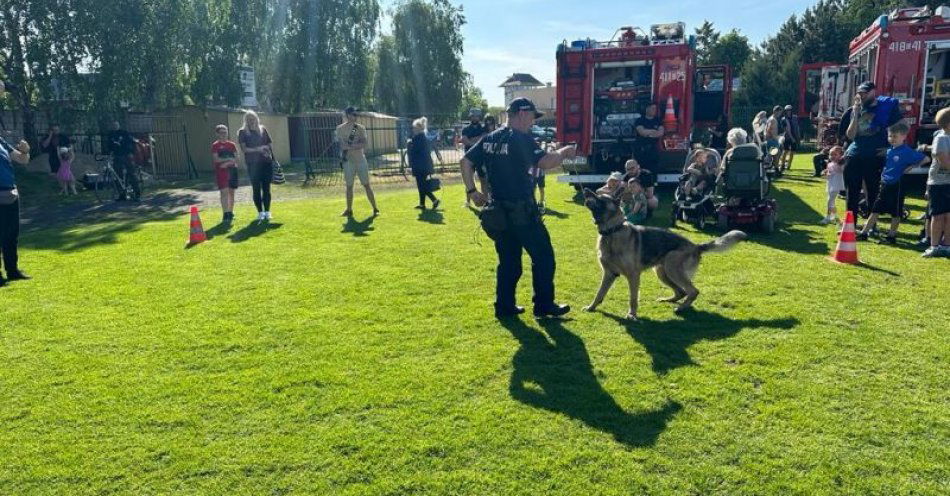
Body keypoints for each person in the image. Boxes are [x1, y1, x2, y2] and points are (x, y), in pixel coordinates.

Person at [461, 97, 576, 318]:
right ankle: (543, 305)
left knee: (509, 262)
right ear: (522, 114)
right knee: (543, 257)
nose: (533, 122)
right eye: (532, 117)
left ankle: (504, 306)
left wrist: (471, 191)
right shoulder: (521, 138)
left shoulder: (490, 138)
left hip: (499, 214)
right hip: (522, 212)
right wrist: (564, 152)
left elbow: (465, 162)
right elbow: (545, 163)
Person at [839, 81, 904, 222]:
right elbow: (850, 135)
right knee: (852, 193)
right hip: (854, 155)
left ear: (873, 92)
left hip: (875, 156)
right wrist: (855, 114)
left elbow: (902, 129)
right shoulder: (854, 110)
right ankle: (850, 224)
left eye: (864, 93)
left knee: (873, 192)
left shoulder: (886, 108)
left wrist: (890, 148)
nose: (861, 96)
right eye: (859, 93)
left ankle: (871, 226)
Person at [856, 122, 928, 244]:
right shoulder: (889, 151)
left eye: (895, 136)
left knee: (896, 211)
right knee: (875, 209)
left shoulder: (906, 151)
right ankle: (864, 233)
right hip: (885, 183)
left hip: (897, 184)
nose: (892, 139)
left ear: (904, 136)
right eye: (890, 136)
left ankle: (891, 236)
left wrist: (911, 166)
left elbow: (926, 159)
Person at [0, 84, 32, 287]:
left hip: (10, 193)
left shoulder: (2, 143)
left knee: (11, 234)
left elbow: (22, 160)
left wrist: (26, 150)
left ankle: (12, 270)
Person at [918, 107, 950, 257]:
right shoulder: (942, 138)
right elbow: (943, 160)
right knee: (938, 216)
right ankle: (934, 245)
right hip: (939, 183)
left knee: (949, 216)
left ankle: (947, 245)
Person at [335, 107, 379, 217]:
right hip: (348, 161)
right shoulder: (340, 128)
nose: (355, 116)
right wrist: (355, 145)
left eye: (356, 114)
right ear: (348, 115)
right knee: (349, 186)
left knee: (367, 185)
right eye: (353, 114)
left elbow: (364, 144)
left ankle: (375, 208)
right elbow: (342, 145)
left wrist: (351, 146)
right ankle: (349, 210)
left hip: (360, 160)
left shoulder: (360, 128)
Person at [238, 110, 276, 222]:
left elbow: (269, 144)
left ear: (256, 118)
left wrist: (266, 149)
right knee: (256, 189)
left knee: (266, 188)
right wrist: (258, 149)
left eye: (253, 118)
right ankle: (260, 212)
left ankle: (267, 212)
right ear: (246, 120)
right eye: (249, 119)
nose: (251, 121)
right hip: (253, 165)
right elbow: (244, 149)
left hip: (266, 163)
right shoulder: (242, 132)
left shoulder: (263, 129)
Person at [407, 117, 440, 210]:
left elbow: (414, 151)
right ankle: (422, 204)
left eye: (414, 128)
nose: (413, 129)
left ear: (418, 128)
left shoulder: (418, 138)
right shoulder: (422, 137)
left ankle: (434, 200)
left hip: (421, 166)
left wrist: (409, 144)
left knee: (422, 185)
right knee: (421, 185)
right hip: (423, 166)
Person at [106, 120, 140, 201]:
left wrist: (130, 152)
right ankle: (122, 194)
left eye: (116, 124)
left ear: (119, 125)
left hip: (126, 155)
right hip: (117, 156)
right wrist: (109, 153)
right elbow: (109, 146)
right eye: (113, 125)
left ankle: (137, 194)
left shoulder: (124, 133)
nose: (115, 126)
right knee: (118, 176)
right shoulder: (111, 135)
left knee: (131, 173)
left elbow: (130, 142)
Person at [211, 124, 239, 223]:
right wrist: (228, 159)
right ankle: (225, 214)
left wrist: (227, 163)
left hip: (232, 171)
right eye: (221, 133)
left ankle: (231, 213)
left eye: (225, 132)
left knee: (231, 192)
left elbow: (236, 158)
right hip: (221, 172)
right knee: (224, 192)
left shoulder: (232, 145)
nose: (224, 134)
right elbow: (216, 159)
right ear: (217, 134)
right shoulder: (215, 145)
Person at [461, 110, 487, 207]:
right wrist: (478, 140)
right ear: (470, 117)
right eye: (472, 116)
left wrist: (472, 140)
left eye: (476, 116)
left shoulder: (483, 128)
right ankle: (468, 201)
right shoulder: (465, 129)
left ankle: (485, 201)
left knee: (483, 180)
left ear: (479, 117)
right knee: (469, 179)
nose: (474, 118)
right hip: (469, 158)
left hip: (481, 158)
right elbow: (465, 141)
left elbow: (484, 138)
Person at [634, 102, 664, 173]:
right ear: (647, 109)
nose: (654, 110)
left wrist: (648, 132)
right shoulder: (640, 120)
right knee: (640, 171)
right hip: (641, 150)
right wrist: (653, 131)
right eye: (652, 108)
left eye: (655, 109)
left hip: (653, 150)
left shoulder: (658, 120)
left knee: (654, 170)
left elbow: (660, 133)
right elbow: (642, 132)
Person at [820, 146, 846, 225]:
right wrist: (824, 173)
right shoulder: (830, 163)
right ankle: (833, 215)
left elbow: (842, 171)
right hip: (830, 183)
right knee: (832, 201)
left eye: (835, 154)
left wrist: (840, 163)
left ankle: (827, 217)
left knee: (830, 200)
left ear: (840, 155)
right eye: (831, 154)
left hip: (836, 184)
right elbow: (828, 173)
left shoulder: (841, 164)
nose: (832, 156)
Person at [781, 105, 800, 169]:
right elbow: (786, 130)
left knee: (792, 152)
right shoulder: (783, 119)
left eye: (790, 110)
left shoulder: (795, 117)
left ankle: (789, 165)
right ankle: (782, 164)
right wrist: (791, 138)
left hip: (794, 136)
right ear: (785, 111)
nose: (789, 111)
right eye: (787, 110)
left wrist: (797, 137)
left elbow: (797, 127)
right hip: (787, 137)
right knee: (785, 151)